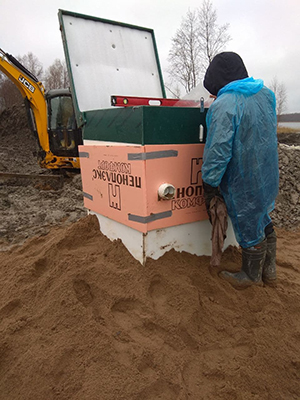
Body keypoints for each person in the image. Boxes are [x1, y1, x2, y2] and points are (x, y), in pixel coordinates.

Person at [201, 52, 279, 289]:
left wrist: (210, 182)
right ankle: (270, 271)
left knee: (247, 222)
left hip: (242, 175)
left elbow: (218, 149)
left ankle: (251, 276)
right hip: (266, 171)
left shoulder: (224, 105)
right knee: (262, 216)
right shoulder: (266, 95)